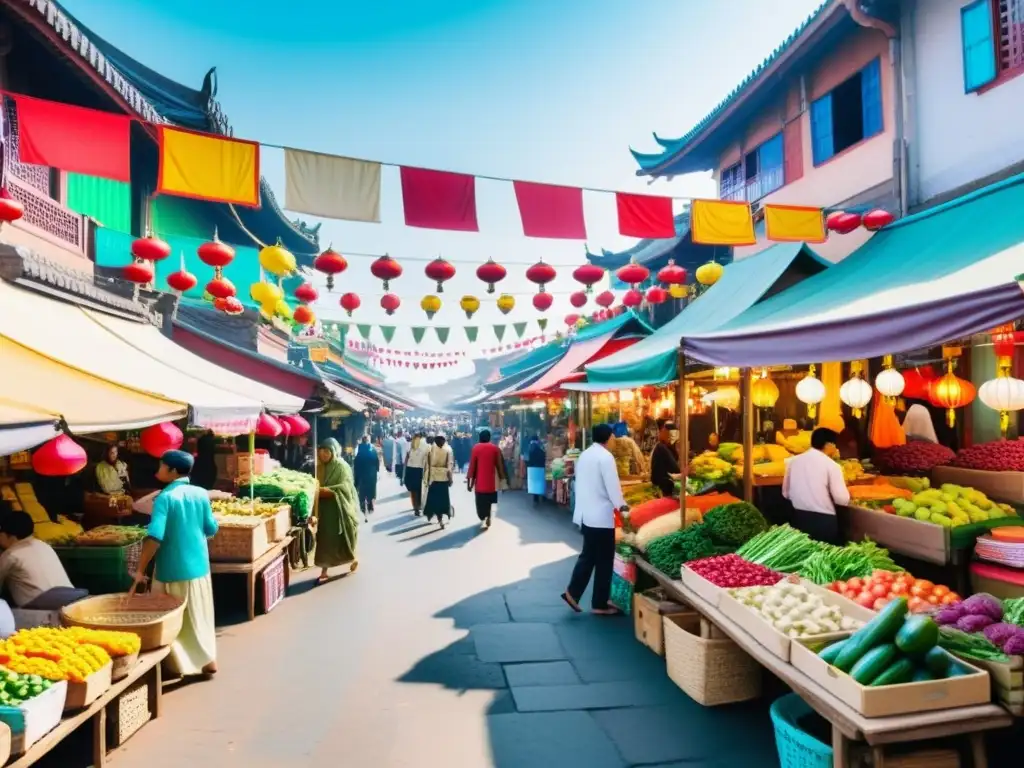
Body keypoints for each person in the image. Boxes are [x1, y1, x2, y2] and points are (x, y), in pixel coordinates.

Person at [130, 450, 219, 678]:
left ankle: (179, 665)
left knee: (172, 619)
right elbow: (212, 528)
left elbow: (155, 536)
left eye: (161, 466)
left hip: (171, 568)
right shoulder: (200, 494)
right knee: (200, 614)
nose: (157, 469)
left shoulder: (164, 498)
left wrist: (140, 569)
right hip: (199, 567)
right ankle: (209, 660)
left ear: (171, 470)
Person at [562, 425, 627, 616]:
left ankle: (573, 593)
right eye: (613, 437)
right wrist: (622, 506)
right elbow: (613, 487)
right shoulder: (606, 458)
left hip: (586, 514)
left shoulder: (586, 454)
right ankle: (599, 603)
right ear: (608, 437)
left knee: (589, 555)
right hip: (601, 516)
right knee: (604, 560)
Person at [782, 427, 850, 545]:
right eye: (835, 445)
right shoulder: (832, 466)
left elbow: (786, 493)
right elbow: (842, 499)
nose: (836, 449)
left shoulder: (792, 462)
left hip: (797, 518)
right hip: (823, 522)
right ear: (828, 445)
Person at [0, 503, 73, 607]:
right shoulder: (44, 545)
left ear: (5, 535)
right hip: (71, 598)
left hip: (42, 607)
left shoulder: (11, 555)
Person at [313, 438, 360, 584]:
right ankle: (324, 570)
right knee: (324, 540)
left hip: (340, 508)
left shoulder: (341, 466)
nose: (324, 455)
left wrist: (330, 490)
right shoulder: (319, 467)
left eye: (327, 451)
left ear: (333, 452)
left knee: (344, 536)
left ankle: (352, 558)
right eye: (321, 452)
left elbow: (346, 487)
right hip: (325, 510)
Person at [467, 429, 507, 530]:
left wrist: (469, 483)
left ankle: (483, 517)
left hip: (480, 483)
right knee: (488, 502)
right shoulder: (495, 449)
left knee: (480, 504)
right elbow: (500, 466)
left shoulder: (476, 448)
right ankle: (488, 516)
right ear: (489, 438)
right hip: (491, 483)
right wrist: (503, 481)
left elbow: (472, 467)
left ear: (480, 437)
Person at [423, 435, 455, 529]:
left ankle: (433, 515)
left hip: (433, 478)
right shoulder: (448, 449)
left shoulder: (430, 449)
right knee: (443, 500)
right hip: (443, 478)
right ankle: (441, 519)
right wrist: (450, 479)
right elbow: (449, 466)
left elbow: (427, 465)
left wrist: (426, 479)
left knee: (433, 499)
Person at [650, 420, 681, 498]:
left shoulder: (667, 447)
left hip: (665, 487)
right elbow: (675, 469)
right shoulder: (661, 447)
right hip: (664, 489)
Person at [352, 436, 380, 521]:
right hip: (371, 474)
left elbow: (355, 462)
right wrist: (376, 470)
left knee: (362, 491)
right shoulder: (373, 449)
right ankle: (370, 504)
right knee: (371, 489)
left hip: (361, 474)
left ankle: (363, 506)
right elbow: (377, 462)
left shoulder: (358, 450)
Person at [405, 433, 429, 515]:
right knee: (419, 489)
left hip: (410, 469)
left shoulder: (410, 445)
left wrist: (404, 471)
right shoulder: (425, 445)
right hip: (419, 469)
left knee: (413, 490)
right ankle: (418, 506)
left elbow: (406, 458)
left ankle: (416, 507)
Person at [526, 435, 546, 505]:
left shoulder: (530, 447)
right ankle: (542, 497)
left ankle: (536, 498)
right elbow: (543, 455)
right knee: (540, 482)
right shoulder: (539, 447)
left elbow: (528, 458)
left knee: (535, 483)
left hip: (532, 467)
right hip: (539, 467)